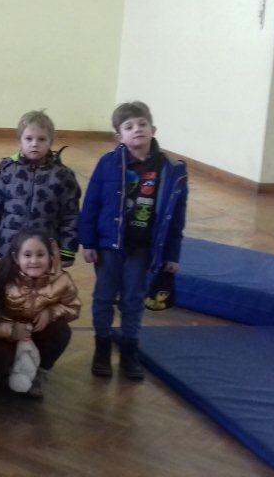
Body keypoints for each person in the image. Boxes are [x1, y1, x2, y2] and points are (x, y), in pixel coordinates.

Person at [78, 101, 188, 381]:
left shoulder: (172, 170)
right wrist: (88, 242)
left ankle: (129, 348)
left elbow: (176, 218)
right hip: (109, 246)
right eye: (129, 126)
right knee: (103, 297)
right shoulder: (108, 163)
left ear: (153, 129)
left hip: (142, 249)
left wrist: (172, 255)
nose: (136, 129)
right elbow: (91, 204)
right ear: (119, 136)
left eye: (142, 124)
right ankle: (102, 346)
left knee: (133, 299)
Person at [0, 229, 80, 399]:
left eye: (40, 255)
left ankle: (40, 373)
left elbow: (74, 308)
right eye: (27, 255)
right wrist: (10, 330)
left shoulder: (62, 280)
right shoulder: (2, 275)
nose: (34, 261)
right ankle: (4, 372)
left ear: (50, 256)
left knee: (61, 331)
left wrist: (51, 312)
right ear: (16, 258)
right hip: (6, 334)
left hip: (37, 332)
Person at [0, 110, 81, 266]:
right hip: (9, 248)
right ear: (19, 141)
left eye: (41, 139)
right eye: (28, 138)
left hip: (44, 252)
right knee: (9, 282)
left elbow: (70, 215)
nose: (34, 143)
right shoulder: (6, 171)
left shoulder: (63, 176)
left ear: (50, 142)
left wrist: (68, 249)